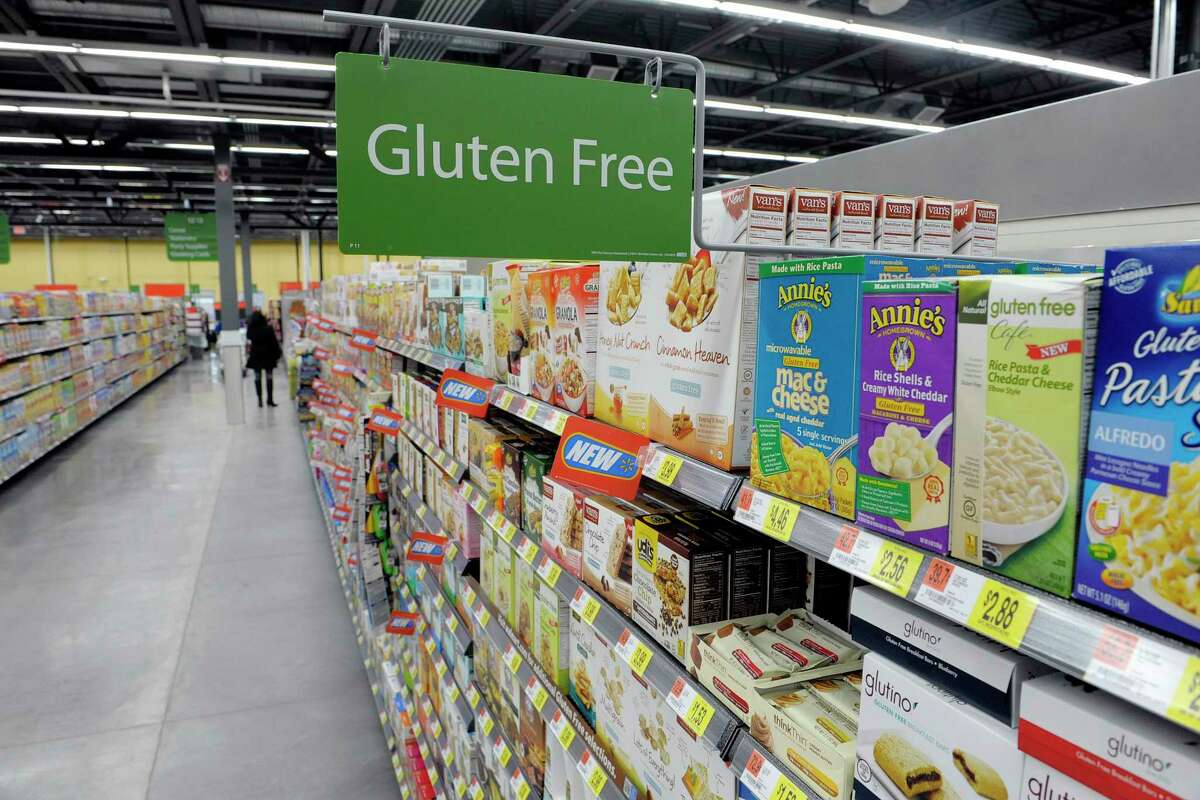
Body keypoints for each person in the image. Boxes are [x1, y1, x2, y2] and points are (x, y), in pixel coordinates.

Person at [245, 310, 282, 407]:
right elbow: (274, 343)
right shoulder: (268, 329)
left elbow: (248, 338)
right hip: (268, 356)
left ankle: (260, 400)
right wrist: (278, 355)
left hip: (256, 356)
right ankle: (270, 399)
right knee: (269, 377)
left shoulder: (251, 330)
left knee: (257, 378)